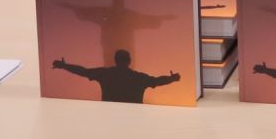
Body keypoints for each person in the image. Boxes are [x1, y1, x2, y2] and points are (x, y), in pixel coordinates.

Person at [52, 50, 180, 103]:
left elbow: (83, 71)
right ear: (129, 61)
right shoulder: (138, 78)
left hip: (110, 120)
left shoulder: (106, 74)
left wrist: (65, 66)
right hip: (133, 123)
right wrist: (172, 79)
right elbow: (157, 81)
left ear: (115, 60)